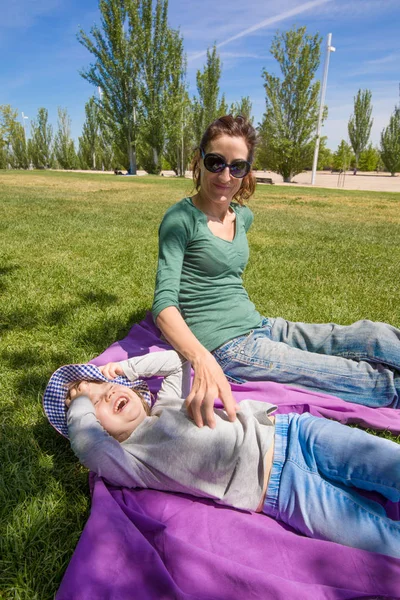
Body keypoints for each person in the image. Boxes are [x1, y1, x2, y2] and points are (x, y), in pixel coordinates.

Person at [151, 114, 400, 428]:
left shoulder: (241, 216)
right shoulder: (179, 220)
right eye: (216, 162)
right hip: (228, 348)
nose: (225, 176)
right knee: (345, 375)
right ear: (198, 161)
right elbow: (163, 307)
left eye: (237, 166)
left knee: (371, 334)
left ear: (246, 171)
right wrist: (201, 358)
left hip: (261, 325)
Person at [43, 350, 400, 559]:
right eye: (92, 403)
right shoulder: (128, 461)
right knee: (379, 539)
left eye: (106, 388)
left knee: (388, 464)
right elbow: (87, 443)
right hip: (283, 491)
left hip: (295, 433)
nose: (104, 395)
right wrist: (83, 398)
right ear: (93, 426)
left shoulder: (168, 402)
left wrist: (124, 370)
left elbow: (177, 361)